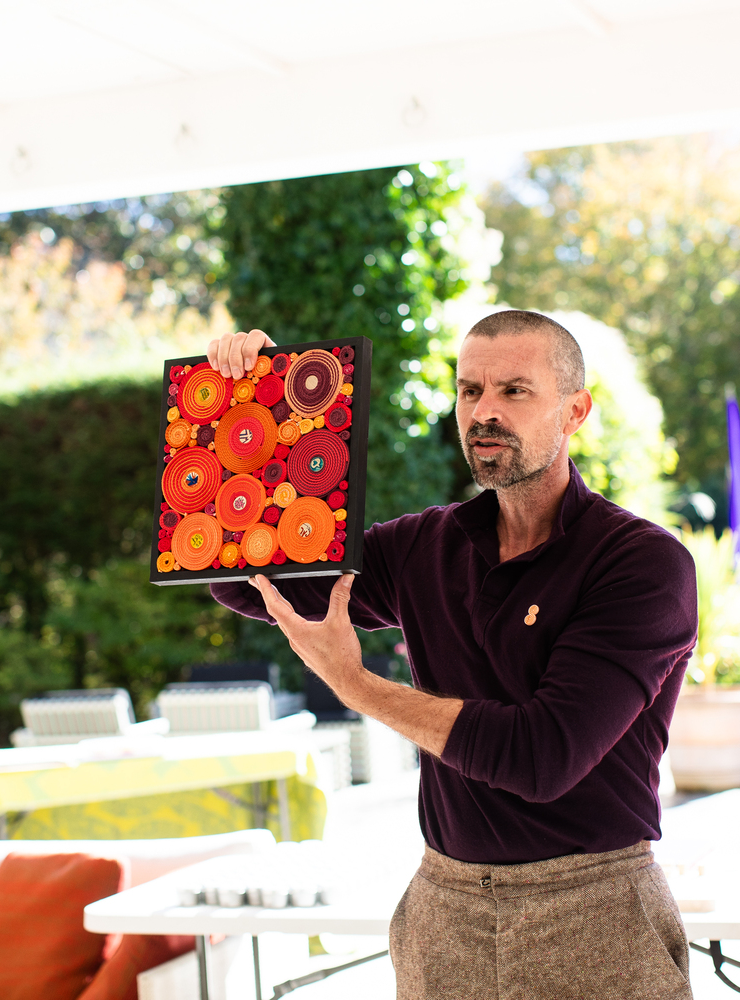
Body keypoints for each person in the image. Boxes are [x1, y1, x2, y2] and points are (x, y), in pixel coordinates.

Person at [206, 310, 698, 999]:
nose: (485, 413)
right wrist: (247, 407)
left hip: (594, 913)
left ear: (575, 410)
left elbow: (542, 756)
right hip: (446, 909)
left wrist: (356, 686)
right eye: (470, 391)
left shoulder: (642, 564)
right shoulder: (423, 548)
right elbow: (256, 582)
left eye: (514, 391)